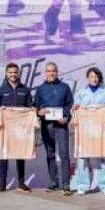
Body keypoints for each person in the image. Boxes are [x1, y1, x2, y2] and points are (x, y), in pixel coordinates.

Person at [0, 63, 34, 192]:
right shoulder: (0, 90)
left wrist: (32, 109)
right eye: (10, 72)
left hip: (21, 129)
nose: (13, 75)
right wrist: (0, 109)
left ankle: (21, 183)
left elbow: (30, 107)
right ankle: (3, 183)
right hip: (5, 128)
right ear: (6, 73)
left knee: (20, 154)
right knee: (4, 155)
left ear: (19, 73)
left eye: (15, 72)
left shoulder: (26, 90)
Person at [35, 62, 74, 195]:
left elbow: (70, 105)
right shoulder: (40, 89)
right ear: (45, 73)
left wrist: (66, 118)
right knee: (50, 154)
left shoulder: (65, 87)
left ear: (57, 72)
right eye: (48, 71)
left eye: (53, 71)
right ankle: (54, 182)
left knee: (64, 154)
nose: (51, 73)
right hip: (47, 125)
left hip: (61, 125)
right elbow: (36, 107)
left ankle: (66, 184)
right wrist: (38, 112)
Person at [74, 67, 105, 195]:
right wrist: (74, 109)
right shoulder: (80, 93)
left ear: (99, 78)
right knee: (83, 156)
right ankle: (82, 185)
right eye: (91, 76)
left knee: (103, 156)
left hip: (100, 130)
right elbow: (74, 110)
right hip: (85, 130)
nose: (94, 79)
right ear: (88, 78)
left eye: (96, 76)